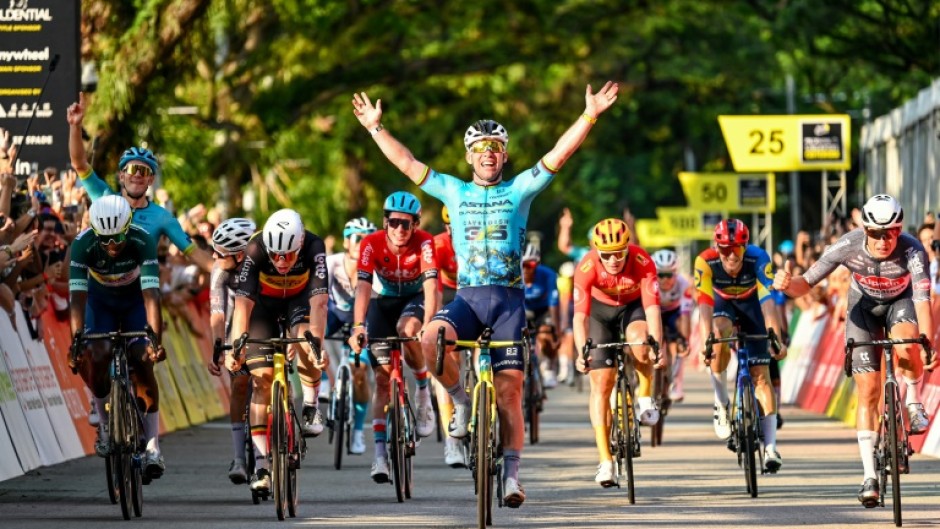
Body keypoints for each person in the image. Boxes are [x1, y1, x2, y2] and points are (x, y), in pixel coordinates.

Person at [352, 80, 619, 507]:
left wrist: (588, 115)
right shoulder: (454, 191)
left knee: (510, 392)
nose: (488, 154)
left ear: (504, 155)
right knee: (429, 339)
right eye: (480, 149)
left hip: (510, 301)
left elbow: (558, 155)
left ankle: (512, 476)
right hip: (469, 298)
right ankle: (459, 402)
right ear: (469, 156)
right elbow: (408, 163)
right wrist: (375, 129)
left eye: (495, 148)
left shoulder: (520, 190)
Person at [774, 194, 937, 507]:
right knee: (869, 392)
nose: (882, 239)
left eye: (890, 232)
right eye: (875, 233)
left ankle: (914, 401)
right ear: (865, 230)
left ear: (899, 230)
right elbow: (805, 284)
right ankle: (869, 476)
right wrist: (786, 283)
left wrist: (927, 340)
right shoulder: (847, 245)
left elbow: (922, 300)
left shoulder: (913, 250)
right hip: (862, 309)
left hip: (899, 303)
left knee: (908, 341)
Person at [224, 208, 329, 494]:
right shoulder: (256, 248)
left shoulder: (314, 246)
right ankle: (261, 464)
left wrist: (317, 344)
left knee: (307, 343)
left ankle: (310, 405)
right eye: (276, 255)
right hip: (264, 308)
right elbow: (242, 305)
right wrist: (237, 347)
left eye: (289, 255)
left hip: (300, 302)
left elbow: (319, 303)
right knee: (261, 380)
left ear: (301, 241)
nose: (281, 261)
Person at [68, 195, 166, 479]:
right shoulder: (82, 244)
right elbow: (77, 298)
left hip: (135, 301)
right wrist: (76, 341)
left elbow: (151, 296)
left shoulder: (142, 240)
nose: (112, 246)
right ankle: (107, 425)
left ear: (128, 227)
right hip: (100, 303)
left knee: (142, 360)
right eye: (105, 239)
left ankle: (152, 447)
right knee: (96, 355)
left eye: (118, 238)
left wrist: (155, 341)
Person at [66, 92, 213, 274]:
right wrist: (75, 126)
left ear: (150, 179)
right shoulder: (105, 197)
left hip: (139, 296)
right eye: (131, 170)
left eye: (143, 171)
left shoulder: (162, 217)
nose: (137, 175)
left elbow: (195, 253)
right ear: (121, 176)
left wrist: (231, 279)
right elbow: (79, 164)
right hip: (101, 293)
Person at [348, 192, 439, 483]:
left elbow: (431, 286)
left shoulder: (425, 242)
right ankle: (379, 456)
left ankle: (423, 389)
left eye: (407, 224)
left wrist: (428, 324)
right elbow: (363, 287)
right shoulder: (370, 243)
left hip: (414, 300)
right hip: (382, 302)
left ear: (416, 225)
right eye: (395, 222)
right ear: (385, 222)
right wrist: (358, 326)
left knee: (407, 331)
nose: (400, 229)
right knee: (383, 381)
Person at [573, 218, 663, 487]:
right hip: (600, 315)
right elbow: (579, 318)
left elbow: (653, 310)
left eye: (619, 254)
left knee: (640, 341)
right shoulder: (586, 266)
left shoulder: (643, 261)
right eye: (607, 255)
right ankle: (605, 462)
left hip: (632, 308)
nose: (613, 260)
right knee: (601, 383)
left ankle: (645, 397)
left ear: (628, 248)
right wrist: (581, 352)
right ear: (597, 252)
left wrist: (656, 346)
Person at [695, 218, 787, 472]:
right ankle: (721, 403)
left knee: (762, 377)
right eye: (724, 249)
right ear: (717, 247)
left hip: (753, 306)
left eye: (736, 249)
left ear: (745, 247)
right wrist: (707, 341)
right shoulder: (706, 261)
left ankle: (770, 448)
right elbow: (704, 305)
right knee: (718, 335)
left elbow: (769, 302)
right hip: (721, 305)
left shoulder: (758, 258)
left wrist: (774, 337)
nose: (731, 255)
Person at [206, 217, 256, 484]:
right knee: (239, 385)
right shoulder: (220, 269)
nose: (213, 256)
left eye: (219, 252)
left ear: (239, 254)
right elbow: (217, 312)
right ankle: (239, 457)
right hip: (235, 321)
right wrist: (218, 347)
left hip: (262, 319)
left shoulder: (260, 265)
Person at [325, 217, 378, 455]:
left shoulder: (375, 267)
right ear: (347, 242)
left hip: (362, 320)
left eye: (367, 240)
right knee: (308, 335)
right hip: (335, 314)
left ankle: (357, 432)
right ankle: (325, 383)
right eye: (357, 239)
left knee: (360, 373)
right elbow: (316, 299)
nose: (362, 244)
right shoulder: (331, 263)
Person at [433, 205, 467, 467]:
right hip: (446, 293)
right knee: (446, 355)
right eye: (448, 226)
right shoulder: (439, 246)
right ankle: (451, 442)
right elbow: (430, 287)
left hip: (475, 292)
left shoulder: (481, 238)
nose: (454, 232)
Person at [650, 249, 693, 402]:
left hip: (675, 313)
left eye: (669, 275)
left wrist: (685, 340)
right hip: (654, 313)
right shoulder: (649, 283)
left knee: (681, 343)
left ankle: (677, 385)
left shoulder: (684, 284)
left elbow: (685, 314)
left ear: (676, 273)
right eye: (660, 275)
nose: (664, 279)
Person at [521, 243, 561, 388]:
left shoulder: (548, 274)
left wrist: (555, 331)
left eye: (530, 264)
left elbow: (553, 304)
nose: (525, 269)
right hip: (523, 310)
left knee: (546, 335)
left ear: (537, 264)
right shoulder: (513, 276)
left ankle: (548, 367)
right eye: (522, 264)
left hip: (543, 310)